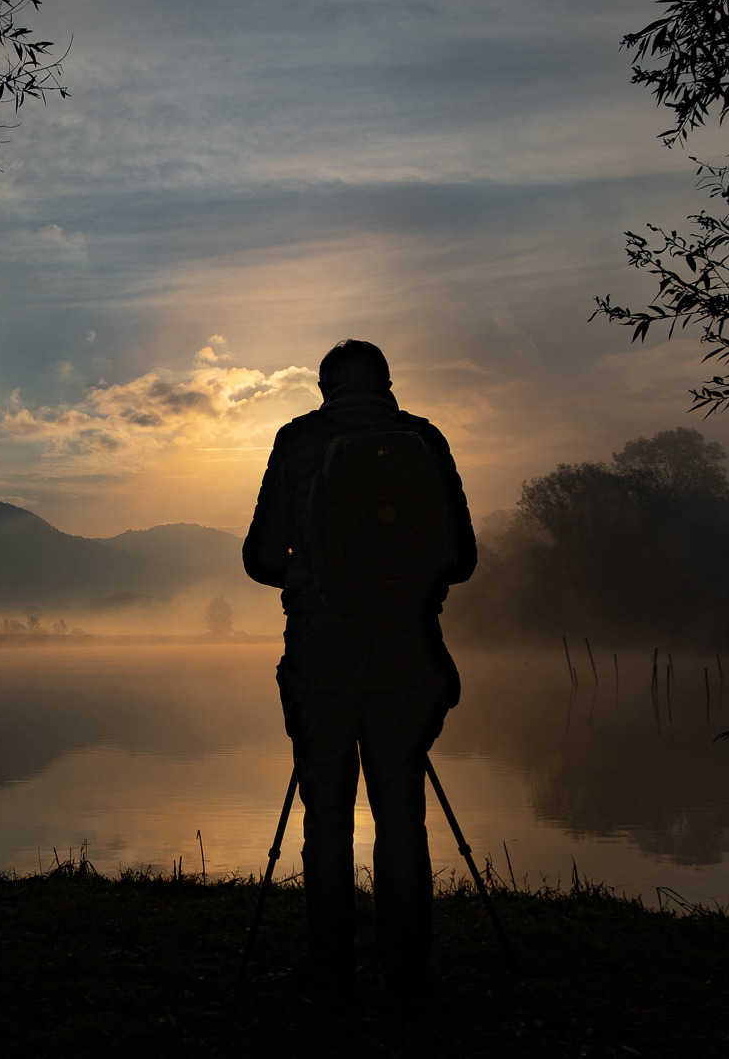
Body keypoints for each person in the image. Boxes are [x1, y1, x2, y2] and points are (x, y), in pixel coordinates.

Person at [242, 339, 477, 1012]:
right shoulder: (423, 439)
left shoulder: (298, 439)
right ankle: (407, 973)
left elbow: (261, 557)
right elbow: (460, 557)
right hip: (408, 659)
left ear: (325, 388)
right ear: (388, 384)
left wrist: (313, 572)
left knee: (328, 820)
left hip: (322, 661)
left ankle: (331, 970)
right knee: (402, 816)